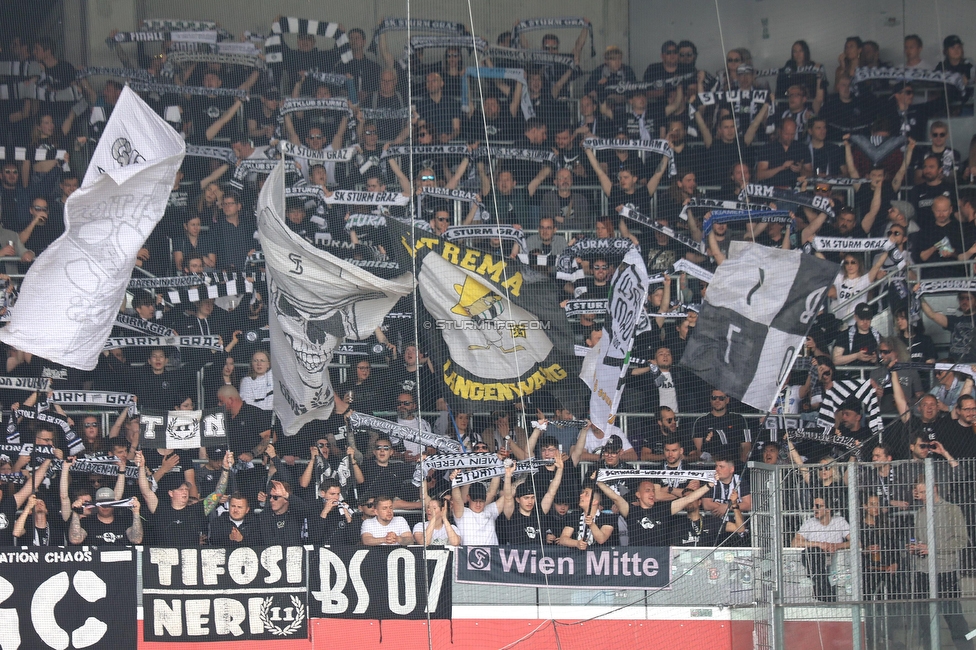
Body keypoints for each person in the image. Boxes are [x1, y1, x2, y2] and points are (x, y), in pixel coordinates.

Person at [909, 481, 974, 650]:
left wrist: (933, 549)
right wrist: (914, 547)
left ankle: (966, 647)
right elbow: (916, 537)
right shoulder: (919, 513)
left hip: (945, 570)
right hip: (923, 571)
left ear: (934, 489)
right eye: (918, 492)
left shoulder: (952, 510)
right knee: (925, 619)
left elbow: (961, 540)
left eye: (923, 492)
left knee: (954, 616)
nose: (920, 496)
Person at [598, 476, 713, 547]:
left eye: (653, 490)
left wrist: (709, 485)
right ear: (638, 494)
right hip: (637, 559)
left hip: (659, 560)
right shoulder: (631, 510)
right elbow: (615, 498)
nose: (652, 493)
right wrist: (599, 482)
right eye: (647, 490)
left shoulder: (663, 509)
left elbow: (689, 498)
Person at [792, 494, 851, 602]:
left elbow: (856, 542)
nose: (814, 508)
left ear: (828, 509)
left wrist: (836, 546)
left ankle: (822, 595)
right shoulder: (810, 523)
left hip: (835, 563)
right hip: (814, 561)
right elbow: (794, 542)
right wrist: (819, 544)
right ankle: (825, 595)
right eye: (813, 505)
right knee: (815, 552)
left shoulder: (840, 521)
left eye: (818, 506)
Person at [496, 455, 564, 546]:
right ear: (518, 500)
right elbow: (508, 497)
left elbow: (551, 492)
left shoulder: (539, 511)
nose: (530, 501)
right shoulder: (512, 514)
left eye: (532, 497)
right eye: (526, 498)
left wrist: (560, 469)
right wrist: (508, 475)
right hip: (518, 558)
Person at [692, 390, 751, 464]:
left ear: (727, 400)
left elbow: (746, 446)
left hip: (734, 463)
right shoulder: (701, 421)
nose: (717, 401)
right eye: (714, 398)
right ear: (710, 400)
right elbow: (698, 450)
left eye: (721, 398)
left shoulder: (738, 419)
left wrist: (742, 462)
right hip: (710, 465)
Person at [451, 474, 506, 545]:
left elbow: (506, 496)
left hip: (493, 554)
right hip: (469, 554)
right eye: (475, 500)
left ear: (485, 498)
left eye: (481, 501)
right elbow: (457, 499)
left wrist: (501, 472)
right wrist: (455, 483)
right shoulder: (462, 513)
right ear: (468, 497)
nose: (478, 504)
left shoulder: (490, 510)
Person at [557, 485, 615, 550]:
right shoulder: (574, 516)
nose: (581, 495)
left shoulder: (608, 518)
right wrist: (577, 543)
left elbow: (601, 539)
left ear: (594, 501)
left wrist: (592, 525)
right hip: (577, 557)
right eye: (582, 493)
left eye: (586, 494)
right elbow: (563, 539)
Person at [256, 479, 310, 546]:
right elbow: (267, 542)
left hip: (294, 554)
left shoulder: (296, 513)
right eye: (270, 497)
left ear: (286, 499)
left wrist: (286, 495)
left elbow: (308, 510)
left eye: (275, 497)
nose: (271, 500)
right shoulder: (265, 516)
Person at [307, 478, 358, 546]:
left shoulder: (342, 510)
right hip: (322, 551)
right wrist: (324, 513)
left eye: (338, 494)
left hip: (343, 551)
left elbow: (354, 540)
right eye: (332, 494)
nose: (336, 497)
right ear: (323, 493)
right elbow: (314, 538)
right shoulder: (314, 509)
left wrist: (348, 518)